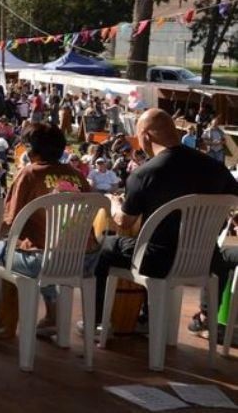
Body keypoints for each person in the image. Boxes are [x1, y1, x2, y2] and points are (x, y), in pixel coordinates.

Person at [91, 108, 238, 329]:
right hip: (205, 259)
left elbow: (124, 222)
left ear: (146, 136)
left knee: (105, 246)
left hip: (158, 260)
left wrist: (114, 204)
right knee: (223, 254)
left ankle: (98, 322)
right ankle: (202, 317)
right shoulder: (215, 167)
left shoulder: (144, 174)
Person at [0, 122, 91, 336]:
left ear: (31, 149)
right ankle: (53, 315)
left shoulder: (29, 174)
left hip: (43, 260)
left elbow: (8, 223)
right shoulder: (78, 176)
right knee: (40, 245)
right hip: (82, 260)